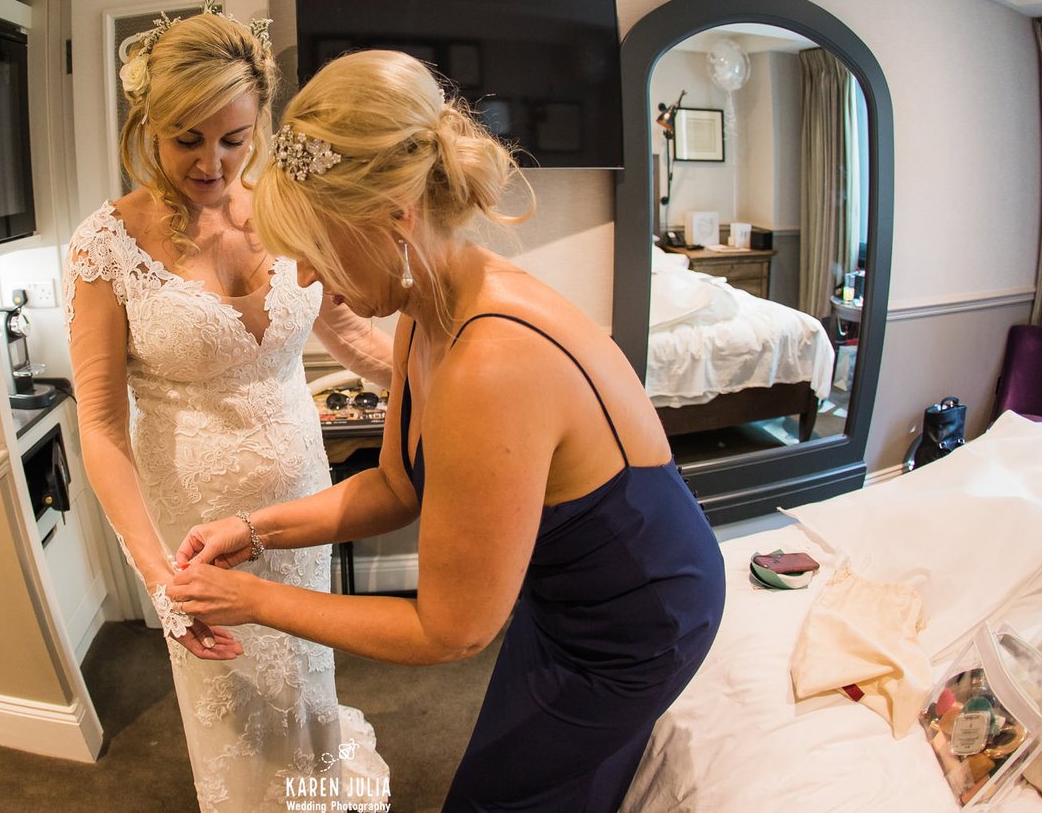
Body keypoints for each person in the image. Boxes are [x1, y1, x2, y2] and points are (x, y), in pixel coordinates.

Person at [167, 50, 727, 811]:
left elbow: (449, 631)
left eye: (317, 249)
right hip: (564, 589)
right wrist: (253, 530)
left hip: (638, 615)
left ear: (393, 214)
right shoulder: (426, 309)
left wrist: (251, 600)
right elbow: (397, 485)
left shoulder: (491, 362)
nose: (305, 279)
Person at [63, 10, 391, 812]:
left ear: (259, 129)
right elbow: (100, 425)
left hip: (301, 495)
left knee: (307, 667)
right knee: (235, 697)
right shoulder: (106, 245)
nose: (211, 162)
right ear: (148, 126)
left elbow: (349, 332)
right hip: (194, 519)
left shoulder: (283, 213)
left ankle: (317, 790)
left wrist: (461, 385)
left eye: (234, 139)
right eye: (186, 138)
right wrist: (158, 579)